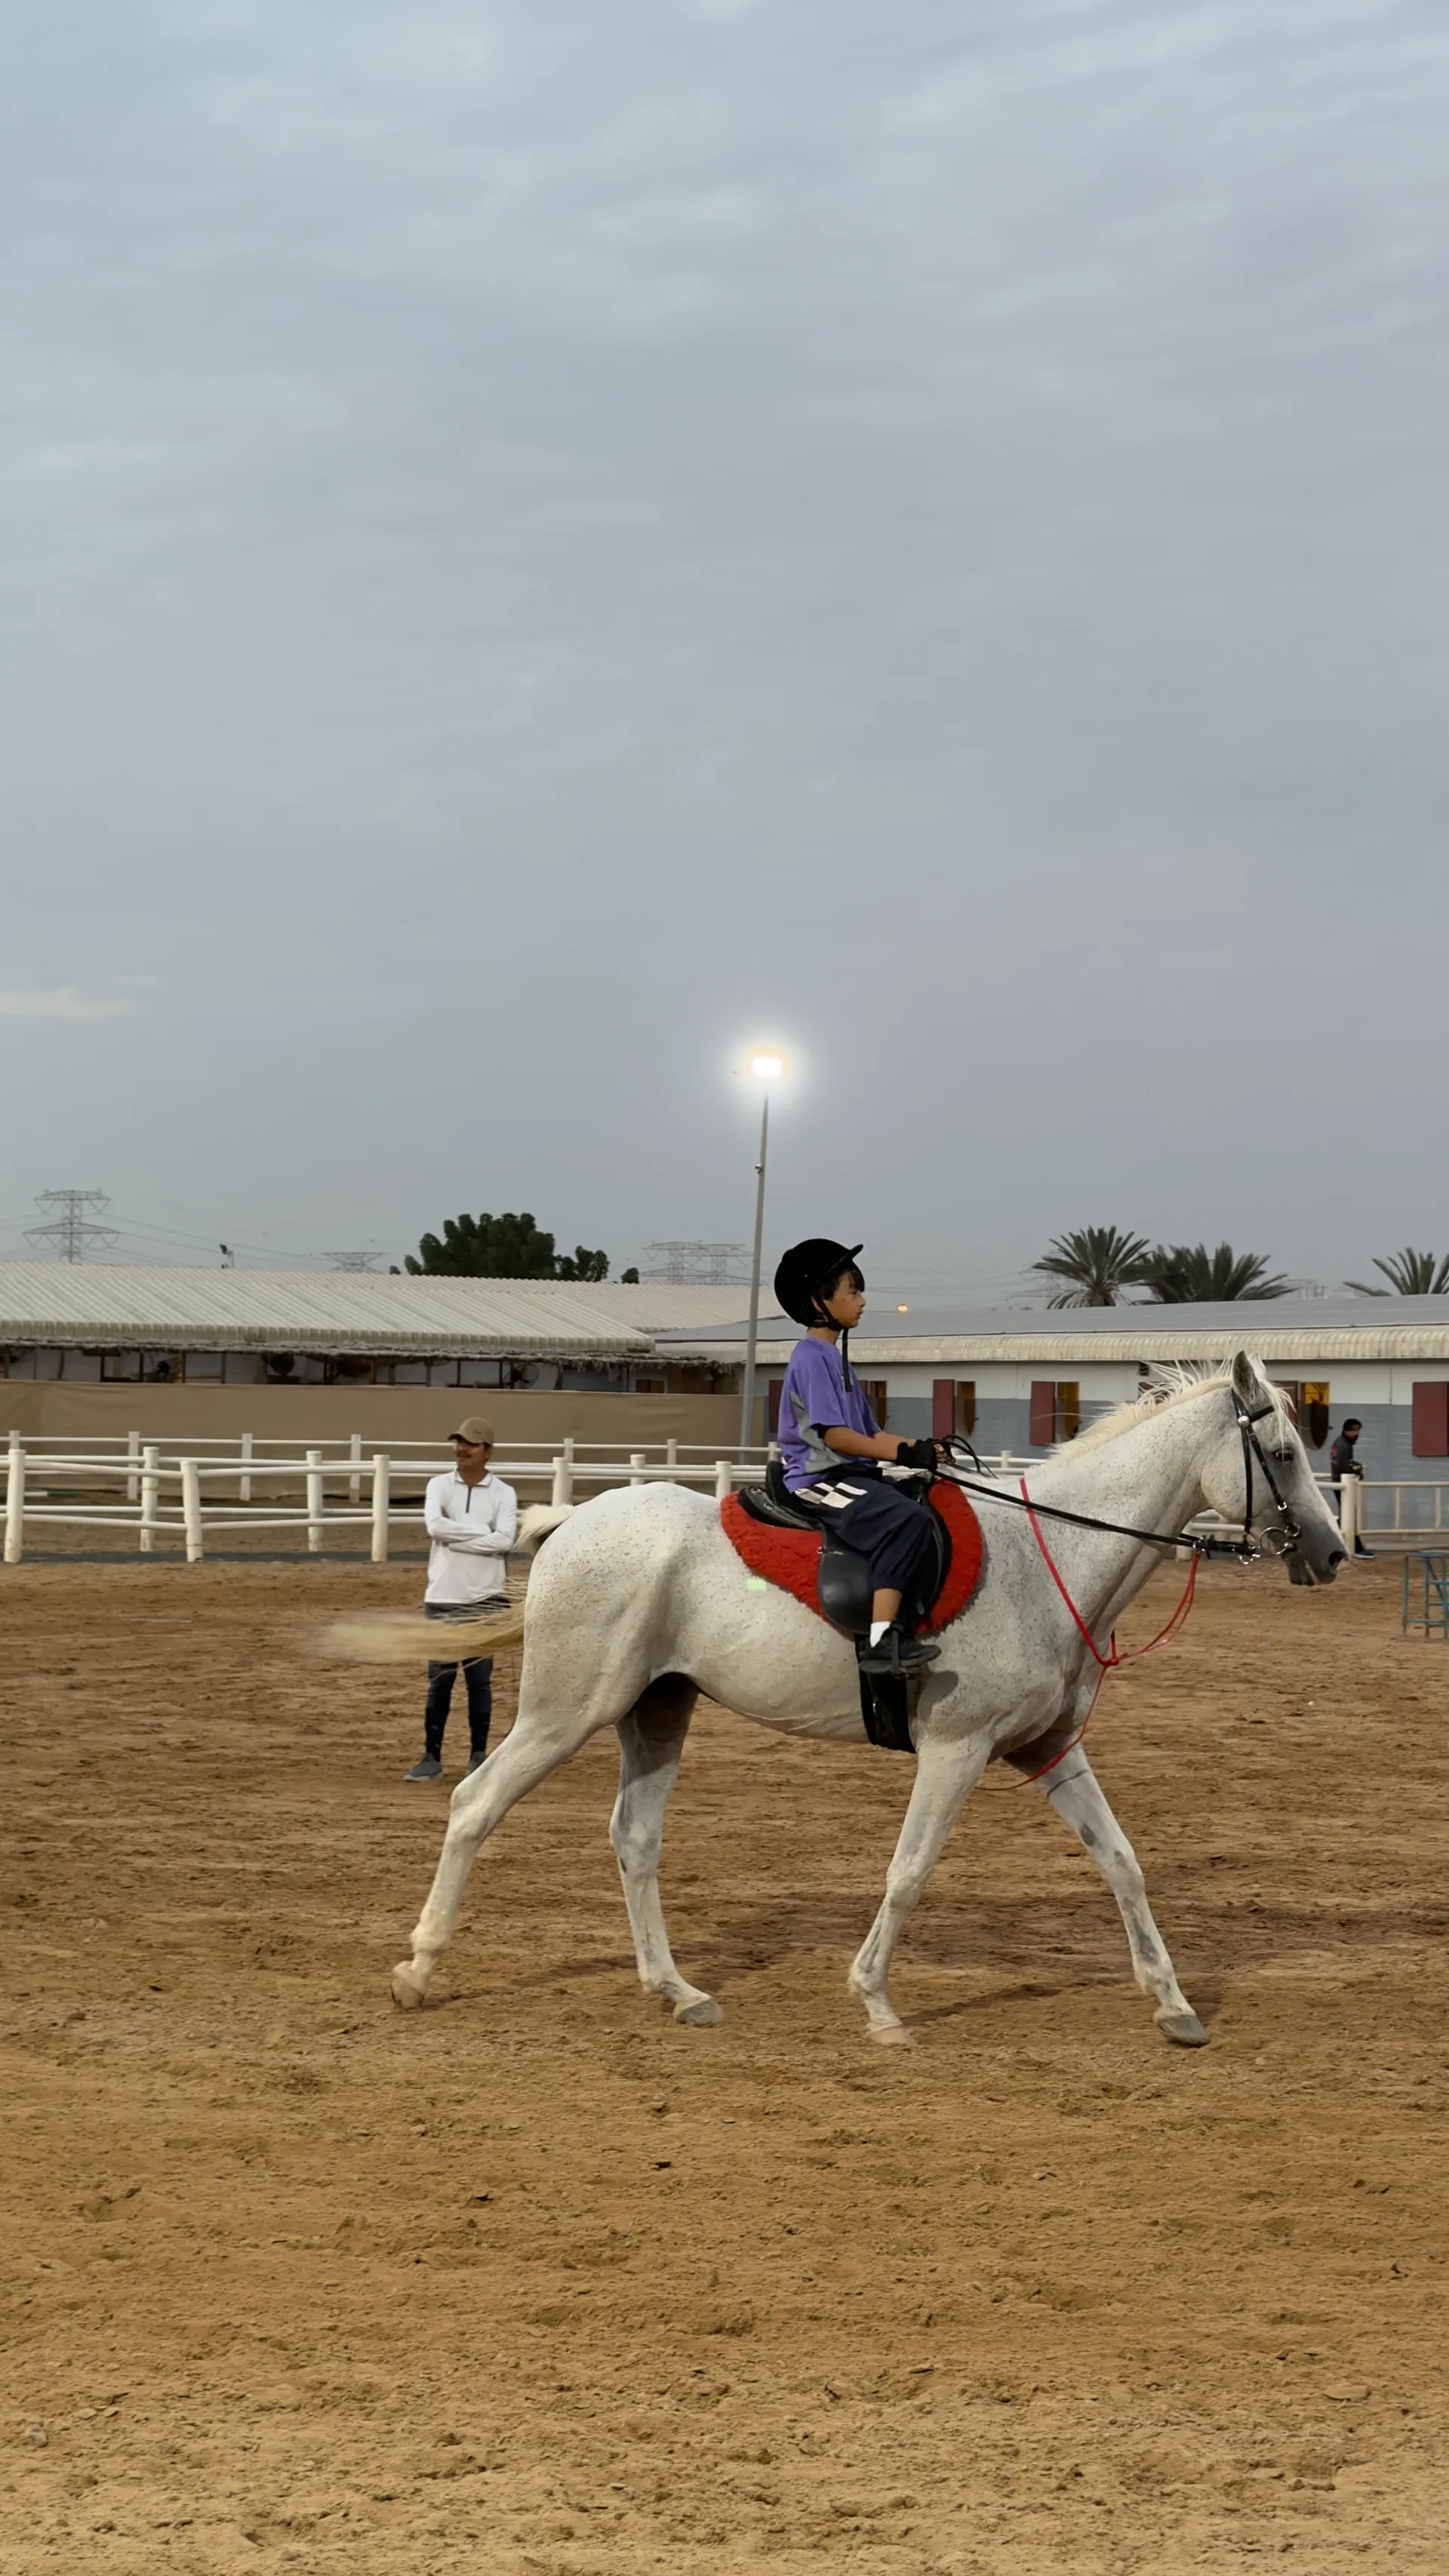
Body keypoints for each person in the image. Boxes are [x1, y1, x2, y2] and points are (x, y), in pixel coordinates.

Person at [771, 1238, 943, 1677]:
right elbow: (837, 1438)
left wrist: (923, 1448)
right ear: (819, 1302)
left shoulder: (837, 1361)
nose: (862, 1301)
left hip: (848, 1473)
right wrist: (905, 1452)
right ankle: (882, 1643)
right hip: (818, 1481)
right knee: (906, 1520)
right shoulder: (811, 1360)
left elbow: (873, 1435)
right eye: (853, 1291)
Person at [405, 1417, 518, 1781]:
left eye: (470, 1443)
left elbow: (505, 1540)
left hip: (486, 1599)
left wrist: (457, 1540)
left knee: (478, 1683)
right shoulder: (439, 1485)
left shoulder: (504, 1492)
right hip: (443, 1595)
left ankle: (477, 1755)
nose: (461, 1449)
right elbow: (434, 1527)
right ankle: (432, 1756)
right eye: (459, 1442)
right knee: (440, 1681)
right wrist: (482, 1532)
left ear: (487, 1451)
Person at [1328, 1417, 1370, 1556]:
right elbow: (1342, 1466)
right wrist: (1357, 1469)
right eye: (1354, 1431)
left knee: (1346, 1515)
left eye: (1357, 1431)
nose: (1356, 1434)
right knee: (1349, 1515)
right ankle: (1354, 1547)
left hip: (1340, 1483)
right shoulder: (1343, 1445)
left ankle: (1342, 1545)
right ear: (1347, 1430)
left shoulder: (1342, 1443)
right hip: (1343, 1484)